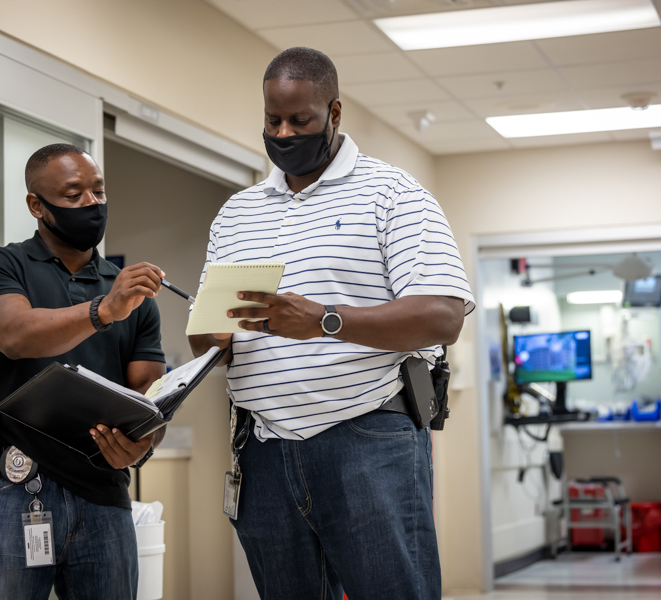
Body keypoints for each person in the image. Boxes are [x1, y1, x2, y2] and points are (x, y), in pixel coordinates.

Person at [189, 47, 475, 600]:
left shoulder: (393, 194)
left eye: (301, 120)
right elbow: (209, 336)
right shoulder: (237, 213)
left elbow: (441, 316)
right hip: (264, 448)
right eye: (273, 119)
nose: (283, 131)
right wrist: (212, 335)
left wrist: (324, 320)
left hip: (368, 440)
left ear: (335, 114)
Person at [0, 143, 168, 600]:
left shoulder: (129, 294)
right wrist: (104, 309)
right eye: (73, 195)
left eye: (98, 191)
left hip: (104, 492)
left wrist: (140, 445)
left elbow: (150, 396)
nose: (91, 204)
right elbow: (16, 333)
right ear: (37, 205)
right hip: (17, 487)